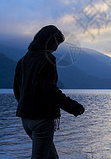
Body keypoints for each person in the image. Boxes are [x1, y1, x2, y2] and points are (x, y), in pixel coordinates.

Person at [13, 25, 85, 159]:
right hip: (42, 119)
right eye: (57, 42)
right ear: (50, 41)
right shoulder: (47, 59)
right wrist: (74, 107)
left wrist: (25, 105)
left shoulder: (23, 60)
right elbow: (50, 90)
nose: (57, 46)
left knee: (52, 157)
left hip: (26, 118)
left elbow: (17, 89)